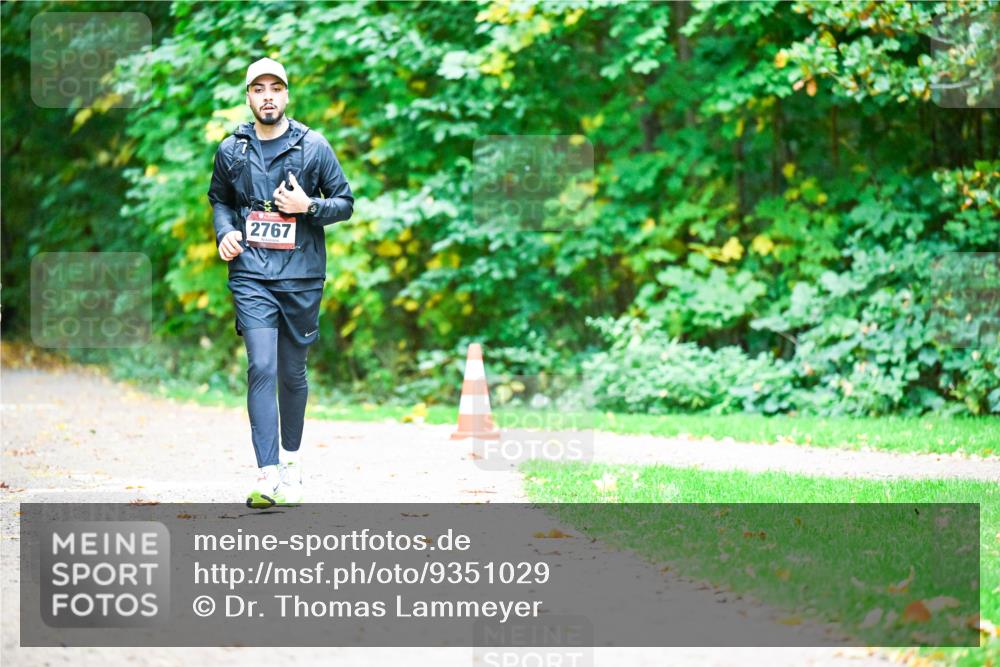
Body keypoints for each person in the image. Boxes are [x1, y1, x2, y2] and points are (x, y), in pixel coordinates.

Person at [207, 57, 354, 508]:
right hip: (251, 273)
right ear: (249, 97)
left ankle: (291, 465)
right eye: (259, 89)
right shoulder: (232, 150)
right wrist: (225, 232)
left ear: (286, 95)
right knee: (262, 366)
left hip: (301, 275)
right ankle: (267, 474)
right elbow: (219, 200)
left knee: (292, 372)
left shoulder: (313, 146)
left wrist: (308, 206)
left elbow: (345, 203)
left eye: (275, 88)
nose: (267, 96)